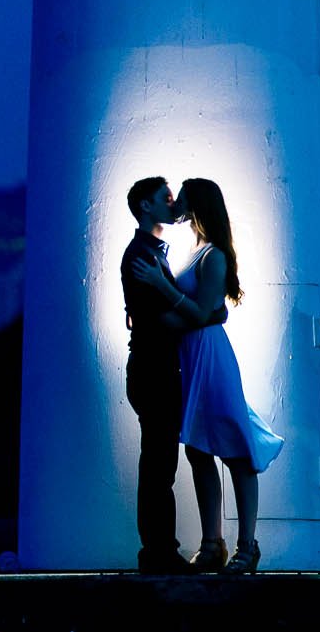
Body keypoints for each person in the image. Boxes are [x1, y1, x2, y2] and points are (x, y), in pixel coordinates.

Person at [172, 177, 286, 574]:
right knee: (198, 449)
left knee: (235, 449)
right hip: (192, 354)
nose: (177, 202)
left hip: (209, 354)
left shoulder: (213, 255)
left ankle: (246, 546)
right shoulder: (196, 249)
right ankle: (211, 543)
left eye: (183, 197)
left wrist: (160, 288)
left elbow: (203, 311)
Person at [117, 176, 216, 574]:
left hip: (156, 369)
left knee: (159, 465)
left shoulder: (154, 252)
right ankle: (158, 552)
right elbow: (156, 320)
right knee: (158, 467)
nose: (174, 205)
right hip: (153, 370)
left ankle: (158, 550)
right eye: (166, 198)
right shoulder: (143, 255)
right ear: (145, 206)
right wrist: (203, 317)